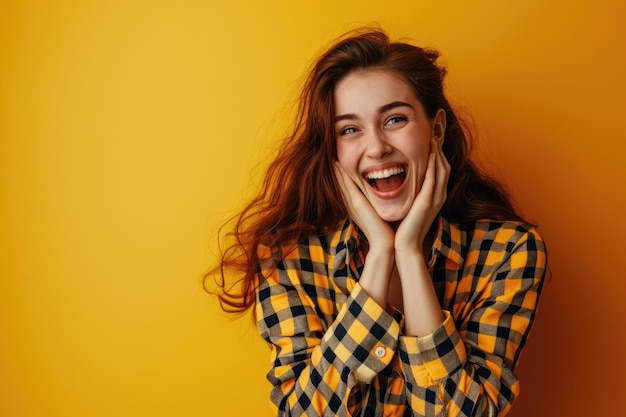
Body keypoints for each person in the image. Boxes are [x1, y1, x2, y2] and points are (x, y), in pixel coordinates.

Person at [207, 28, 547, 417]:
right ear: (331, 148)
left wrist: (409, 254)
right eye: (349, 129)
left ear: (436, 129)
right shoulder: (287, 256)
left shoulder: (508, 251)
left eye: (394, 119)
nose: (376, 147)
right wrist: (380, 256)